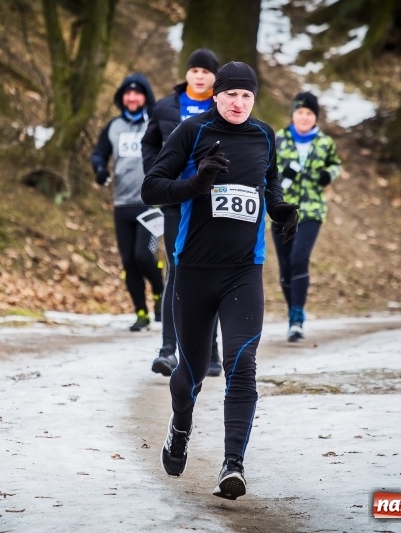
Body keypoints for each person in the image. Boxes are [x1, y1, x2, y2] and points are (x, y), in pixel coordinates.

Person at [141, 62, 299, 500]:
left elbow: (269, 185)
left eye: (246, 96)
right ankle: (180, 427)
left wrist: (281, 210)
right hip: (193, 272)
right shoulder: (191, 132)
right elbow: (152, 188)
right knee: (189, 376)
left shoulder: (265, 136)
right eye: (230, 94)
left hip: (243, 272)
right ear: (216, 95)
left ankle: (233, 465)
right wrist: (197, 183)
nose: (238, 103)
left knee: (241, 365)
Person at [142, 48, 223, 378]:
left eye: (206, 71)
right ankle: (168, 349)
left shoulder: (225, 106)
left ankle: (212, 350)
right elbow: (149, 143)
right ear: (187, 74)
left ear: (215, 77)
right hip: (176, 196)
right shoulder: (164, 107)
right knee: (177, 268)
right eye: (195, 70)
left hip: (212, 202)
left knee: (211, 273)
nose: (200, 76)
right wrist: (156, 172)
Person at [91, 73, 164, 332]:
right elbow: (99, 153)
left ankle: (159, 292)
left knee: (144, 256)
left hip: (151, 203)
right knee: (129, 262)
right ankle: (141, 313)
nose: (132, 98)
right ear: (122, 97)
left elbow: (170, 151)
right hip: (122, 203)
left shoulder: (155, 123)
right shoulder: (113, 126)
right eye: (127, 93)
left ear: (146, 97)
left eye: (137, 93)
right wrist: (99, 168)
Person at [273, 91, 342, 342]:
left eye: (309, 113)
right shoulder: (278, 139)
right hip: (282, 210)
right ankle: (292, 308)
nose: (304, 117)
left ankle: (296, 317)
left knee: (299, 258)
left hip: (311, 211)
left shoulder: (324, 143)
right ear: (293, 114)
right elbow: (266, 170)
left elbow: (336, 164)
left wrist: (329, 175)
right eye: (300, 112)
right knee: (285, 265)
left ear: (315, 117)